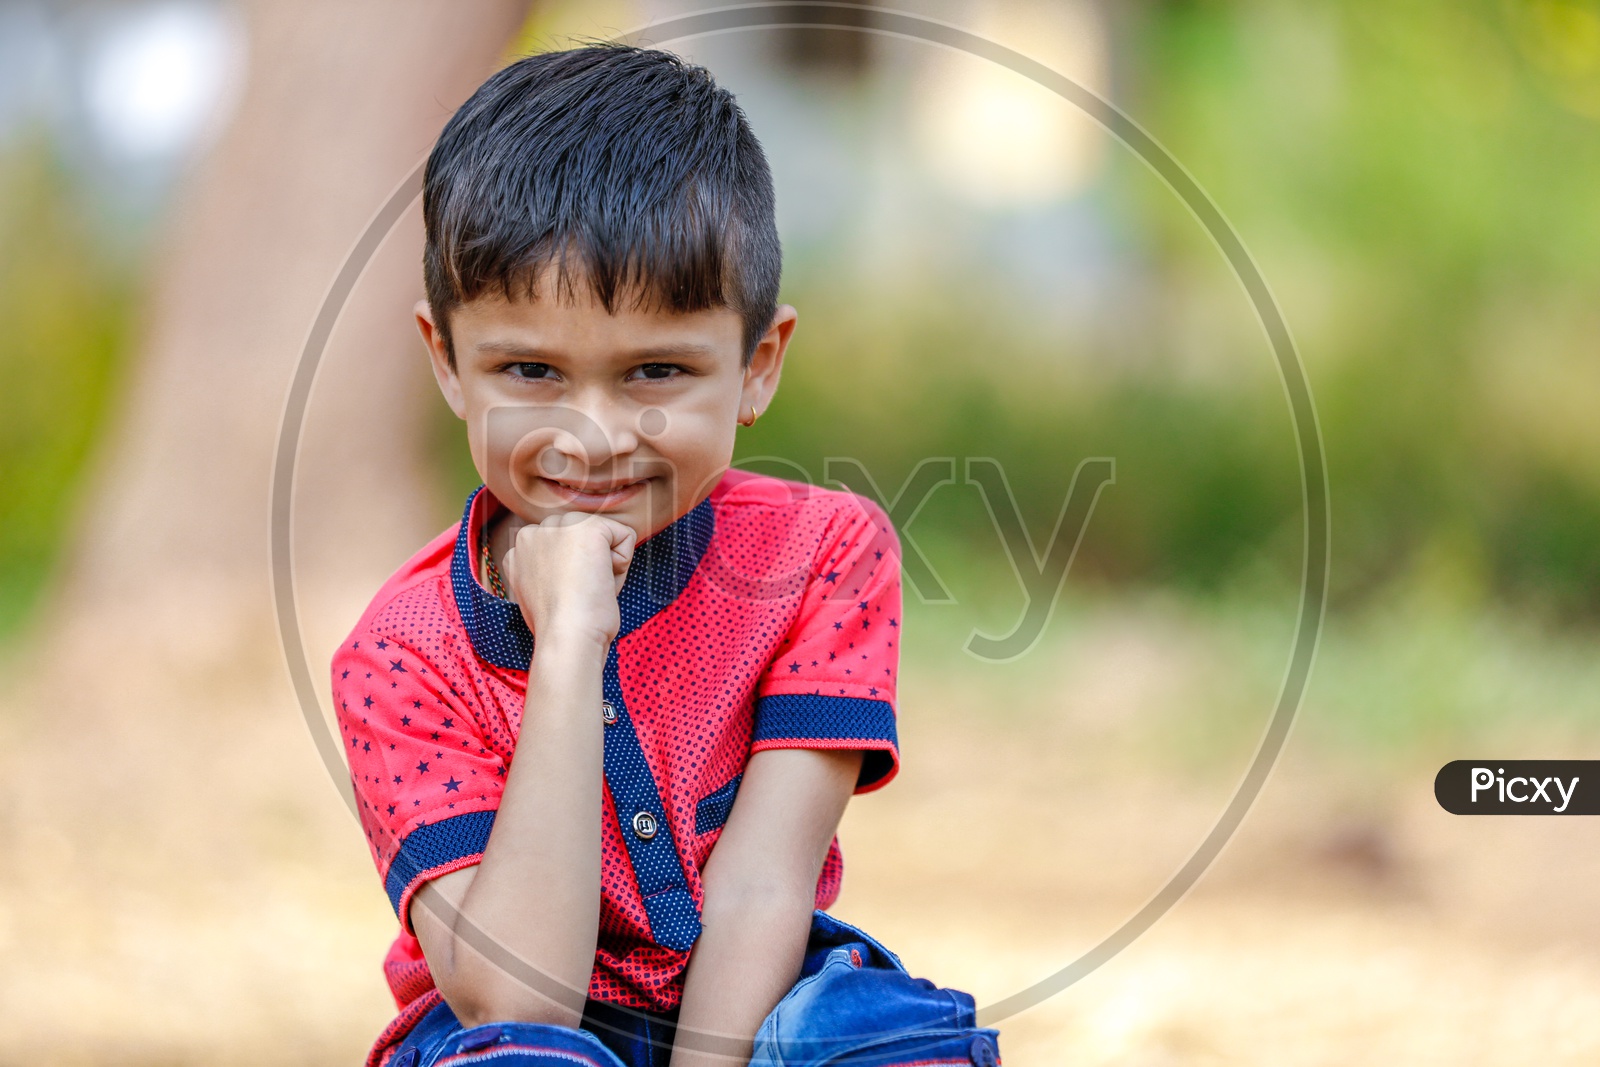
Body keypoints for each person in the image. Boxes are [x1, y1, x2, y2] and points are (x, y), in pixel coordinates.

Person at [331, 43, 1002, 1067]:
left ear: (755, 364)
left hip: (749, 1001)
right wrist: (566, 647)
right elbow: (519, 994)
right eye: (530, 369)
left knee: (874, 1038)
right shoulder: (398, 655)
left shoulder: (822, 553)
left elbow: (763, 883)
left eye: (655, 370)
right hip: (513, 1027)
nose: (595, 435)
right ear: (448, 363)